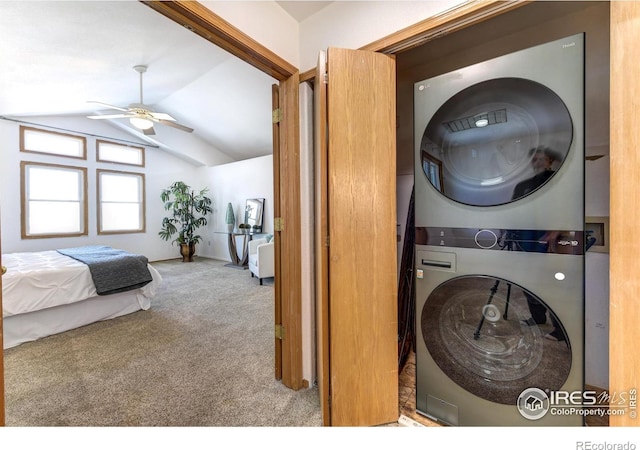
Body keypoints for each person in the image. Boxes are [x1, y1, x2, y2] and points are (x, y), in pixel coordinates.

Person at [511, 146, 566, 342]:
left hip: (547, 237)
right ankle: (537, 317)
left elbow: (567, 206)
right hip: (526, 236)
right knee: (529, 279)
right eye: (534, 160)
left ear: (550, 161)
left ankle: (560, 330)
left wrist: (557, 229)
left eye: (542, 159)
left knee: (550, 283)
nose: (537, 163)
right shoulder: (523, 185)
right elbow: (513, 209)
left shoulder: (558, 181)